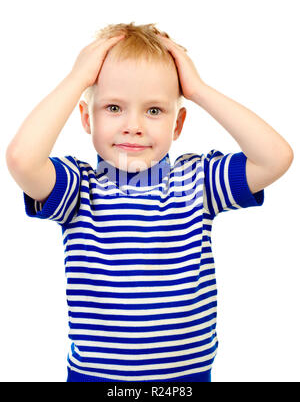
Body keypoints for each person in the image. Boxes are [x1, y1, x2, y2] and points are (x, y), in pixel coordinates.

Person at [6, 22, 293, 382]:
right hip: (96, 377)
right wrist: (76, 79)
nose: (134, 125)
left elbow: (276, 158)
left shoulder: (197, 182)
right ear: (85, 117)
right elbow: (21, 159)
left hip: (187, 379)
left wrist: (198, 90)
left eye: (154, 111)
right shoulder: (78, 187)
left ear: (178, 124)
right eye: (113, 107)